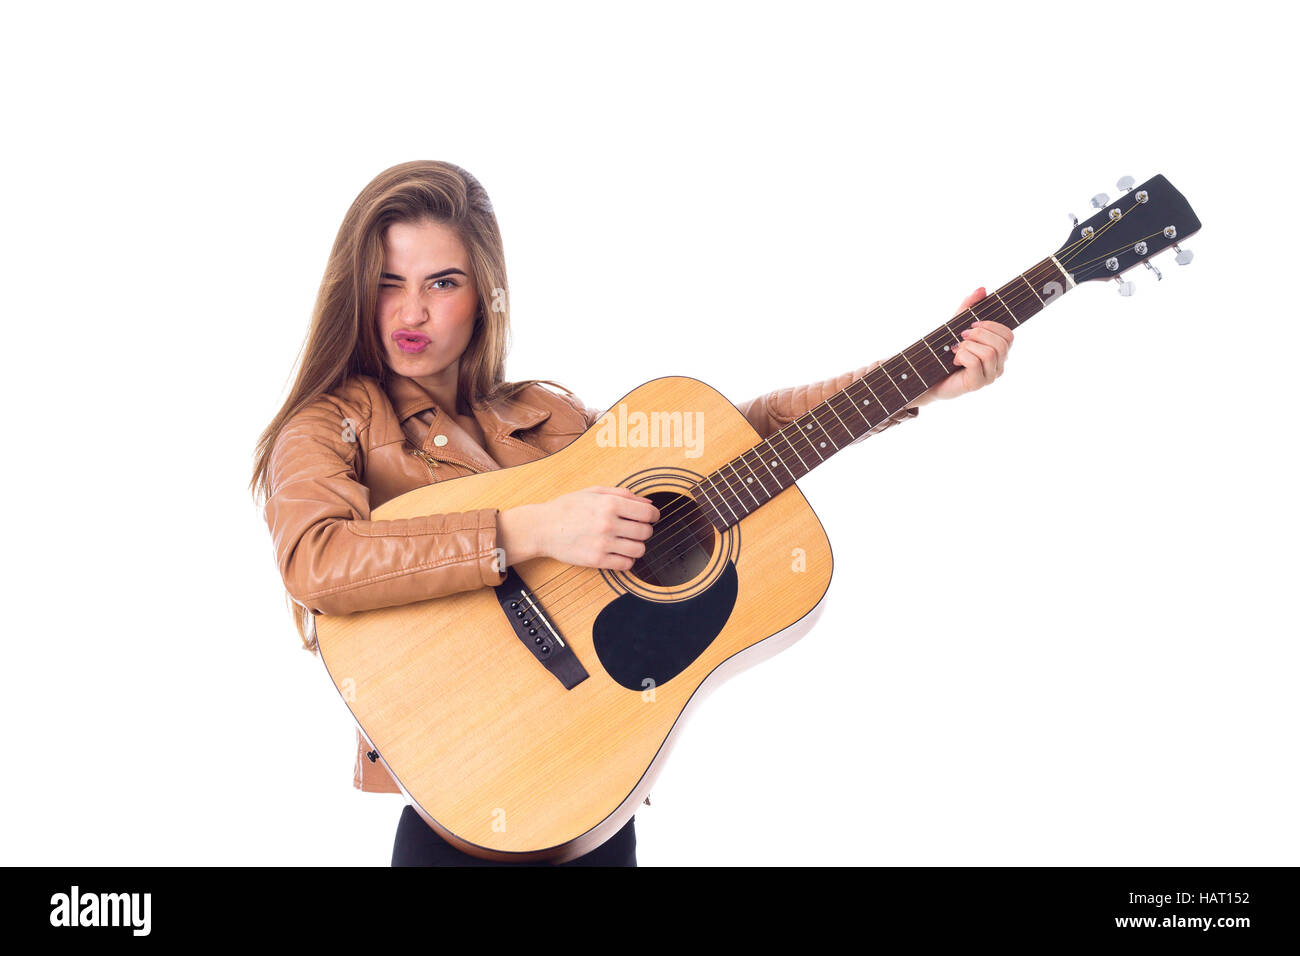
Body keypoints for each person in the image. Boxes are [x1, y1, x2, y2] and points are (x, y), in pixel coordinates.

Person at [250, 160, 1013, 867]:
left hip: (597, 789)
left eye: (441, 282)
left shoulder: (542, 417)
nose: (411, 310)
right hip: (460, 809)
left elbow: (732, 440)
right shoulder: (326, 425)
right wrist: (535, 529)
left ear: (484, 294)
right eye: (388, 282)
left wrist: (913, 384)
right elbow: (317, 560)